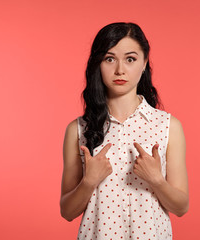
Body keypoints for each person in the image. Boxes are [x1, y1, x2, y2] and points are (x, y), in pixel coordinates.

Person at [60, 22, 188, 240]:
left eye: (130, 59)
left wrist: (156, 180)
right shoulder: (78, 129)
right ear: (98, 63)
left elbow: (181, 207)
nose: (120, 69)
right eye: (110, 59)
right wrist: (89, 182)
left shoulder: (168, 126)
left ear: (144, 62)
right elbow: (67, 211)